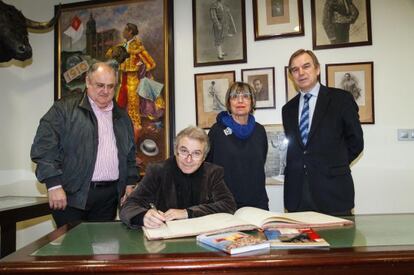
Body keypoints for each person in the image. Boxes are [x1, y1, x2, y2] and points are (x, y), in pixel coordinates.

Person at [31, 61, 140, 228]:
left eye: (111, 86)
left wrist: (130, 183)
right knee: (73, 251)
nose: (105, 91)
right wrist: (53, 185)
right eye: (100, 85)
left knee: (103, 251)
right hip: (70, 196)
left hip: (108, 198)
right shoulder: (64, 109)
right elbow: (44, 147)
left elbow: (130, 155)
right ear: (88, 82)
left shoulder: (122, 117)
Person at [282, 49, 364, 216]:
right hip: (297, 195)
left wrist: (333, 164)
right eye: (295, 69)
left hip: (334, 192)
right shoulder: (287, 109)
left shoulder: (341, 99)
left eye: (306, 66)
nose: (301, 73)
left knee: (341, 242)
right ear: (291, 75)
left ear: (317, 69)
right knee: (300, 242)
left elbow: (356, 142)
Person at [120, 126, 237, 229]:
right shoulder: (157, 172)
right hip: (166, 242)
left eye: (196, 153)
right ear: (176, 151)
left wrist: (187, 213)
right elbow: (128, 207)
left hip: (203, 240)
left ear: (204, 157)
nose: (189, 159)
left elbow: (228, 205)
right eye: (184, 151)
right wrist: (143, 217)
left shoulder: (213, 173)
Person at [207, 82, 269, 210]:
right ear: (229, 103)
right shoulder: (217, 131)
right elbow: (208, 167)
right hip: (224, 203)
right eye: (235, 97)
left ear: (252, 102)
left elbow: (260, 163)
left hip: (257, 203)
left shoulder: (260, 131)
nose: (240, 101)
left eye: (246, 96)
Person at [106, 23, 156, 142]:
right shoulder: (122, 45)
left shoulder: (137, 46)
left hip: (133, 80)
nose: (123, 32)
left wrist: (140, 65)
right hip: (122, 80)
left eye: (125, 30)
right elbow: (109, 55)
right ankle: (118, 135)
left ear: (130, 32)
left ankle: (134, 138)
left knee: (133, 107)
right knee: (119, 106)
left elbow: (151, 63)